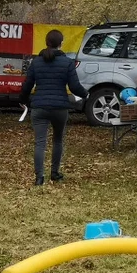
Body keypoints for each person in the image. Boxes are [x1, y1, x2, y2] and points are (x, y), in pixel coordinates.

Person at [19, 30, 88, 185]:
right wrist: (86, 94)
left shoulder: (36, 62)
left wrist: (23, 100)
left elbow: (27, 85)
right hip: (60, 107)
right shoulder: (67, 63)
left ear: (46, 42)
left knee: (40, 142)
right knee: (58, 140)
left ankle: (39, 177)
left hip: (39, 106)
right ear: (61, 43)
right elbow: (75, 87)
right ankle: (55, 173)